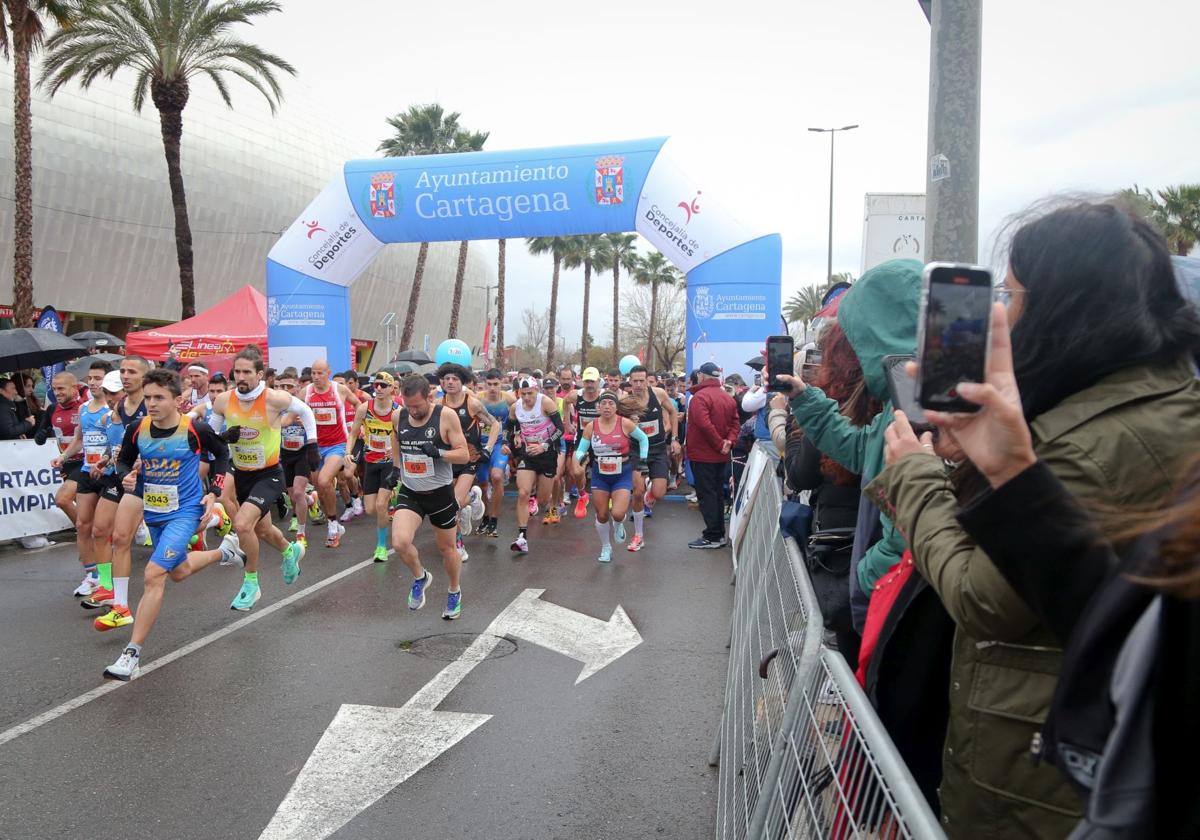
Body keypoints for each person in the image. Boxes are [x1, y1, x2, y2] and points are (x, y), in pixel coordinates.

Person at [858, 202, 1200, 837]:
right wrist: (997, 471)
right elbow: (1092, 592)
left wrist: (915, 474)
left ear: (1066, 309)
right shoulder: (1149, 397)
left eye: (1010, 295)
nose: (1000, 320)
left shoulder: (1090, 444)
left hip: (1036, 779)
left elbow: (983, 597)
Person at [102, 368, 239, 681]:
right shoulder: (138, 428)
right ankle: (225, 552)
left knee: (153, 574)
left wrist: (214, 492)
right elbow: (123, 459)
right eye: (148, 397)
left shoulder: (195, 428)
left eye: (159, 398)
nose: (151, 403)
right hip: (154, 512)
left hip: (185, 512)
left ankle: (131, 653)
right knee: (178, 572)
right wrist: (126, 474)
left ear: (178, 400)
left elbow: (220, 453)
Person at [209, 346, 316, 609]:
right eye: (237, 371)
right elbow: (209, 439)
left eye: (247, 372)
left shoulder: (273, 398)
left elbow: (306, 411)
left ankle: (251, 583)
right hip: (242, 472)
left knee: (244, 524)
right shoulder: (223, 400)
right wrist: (224, 438)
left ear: (259, 374)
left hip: (269, 474)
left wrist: (312, 444)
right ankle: (290, 552)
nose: (241, 377)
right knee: (263, 529)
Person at [390, 375, 470, 620]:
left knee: (447, 549)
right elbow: (396, 438)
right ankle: (420, 577)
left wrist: (439, 452)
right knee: (400, 542)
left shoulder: (445, 416)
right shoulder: (399, 416)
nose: (413, 411)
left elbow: (464, 455)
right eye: (408, 405)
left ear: (429, 397)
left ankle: (454, 590)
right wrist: (395, 469)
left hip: (439, 494)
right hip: (411, 491)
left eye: (418, 406)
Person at [84, 356, 153, 626]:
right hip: (125, 478)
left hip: (159, 477)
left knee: (178, 561)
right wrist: (108, 459)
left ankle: (217, 521)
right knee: (106, 532)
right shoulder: (121, 406)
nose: (125, 375)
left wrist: (147, 458)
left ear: (144, 377)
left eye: (131, 371)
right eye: (122, 371)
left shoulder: (152, 403)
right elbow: (122, 444)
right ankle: (116, 600)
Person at [54, 361, 114, 599]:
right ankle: (92, 576)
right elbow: (79, 440)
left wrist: (108, 462)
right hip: (88, 471)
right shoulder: (84, 409)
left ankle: (109, 579)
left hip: (109, 474)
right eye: (90, 378)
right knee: (83, 526)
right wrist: (63, 456)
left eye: (98, 378)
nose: (92, 382)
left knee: (104, 530)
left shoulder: (112, 411)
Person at [570, 392, 649, 562]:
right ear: (598, 407)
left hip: (622, 473)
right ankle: (606, 547)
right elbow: (582, 448)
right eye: (603, 403)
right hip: (600, 475)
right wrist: (578, 459)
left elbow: (643, 439)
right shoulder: (592, 426)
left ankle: (619, 524)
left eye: (610, 403)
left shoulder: (625, 423)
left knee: (618, 513)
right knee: (602, 515)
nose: (607, 406)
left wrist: (643, 460)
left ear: (616, 407)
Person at [437, 363, 497, 560]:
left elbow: (495, 424)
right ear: (442, 382)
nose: (451, 382)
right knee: (450, 502)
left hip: (470, 458)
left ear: (462, 382)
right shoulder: (438, 406)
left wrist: (488, 448)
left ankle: (458, 545)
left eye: (455, 379)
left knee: (453, 502)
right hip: (448, 458)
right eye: (447, 379)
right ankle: (472, 497)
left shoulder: (472, 403)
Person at [303, 359, 361, 546]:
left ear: (328, 372)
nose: (316, 377)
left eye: (320, 373)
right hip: (314, 446)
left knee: (324, 480)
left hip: (337, 444)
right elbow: (292, 412)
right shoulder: (306, 392)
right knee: (320, 486)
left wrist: (358, 427)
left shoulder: (339, 390)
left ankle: (332, 528)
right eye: (313, 373)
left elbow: (359, 404)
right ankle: (334, 522)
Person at [506, 376, 565, 553]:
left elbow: (560, 429)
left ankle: (549, 504)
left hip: (547, 453)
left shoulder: (546, 403)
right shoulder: (516, 407)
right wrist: (507, 441)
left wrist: (544, 446)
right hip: (528, 453)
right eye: (522, 394)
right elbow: (508, 427)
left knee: (543, 499)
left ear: (537, 391)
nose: (526, 398)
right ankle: (522, 537)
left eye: (529, 393)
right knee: (523, 492)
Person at [347, 371, 400, 562]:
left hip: (389, 463)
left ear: (392, 389)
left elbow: (406, 434)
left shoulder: (398, 410)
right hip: (370, 461)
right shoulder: (364, 408)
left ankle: (381, 546)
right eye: (375, 385)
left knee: (380, 505)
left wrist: (396, 451)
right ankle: (394, 494)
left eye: (382, 385)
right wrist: (348, 453)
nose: (378, 388)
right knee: (370, 509)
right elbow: (353, 433)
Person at [685, 362, 738, 549]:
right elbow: (735, 423)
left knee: (707, 495)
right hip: (720, 454)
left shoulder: (699, 397)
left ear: (701, 376)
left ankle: (714, 535)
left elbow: (704, 425)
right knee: (715, 494)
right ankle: (718, 534)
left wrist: (720, 443)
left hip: (703, 454)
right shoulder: (727, 397)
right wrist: (728, 442)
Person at [626, 365, 679, 551]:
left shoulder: (658, 394)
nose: (639, 384)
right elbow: (618, 424)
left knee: (659, 493)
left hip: (656, 450)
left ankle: (650, 495)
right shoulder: (626, 401)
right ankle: (638, 535)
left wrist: (674, 439)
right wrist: (629, 424)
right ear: (630, 381)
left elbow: (673, 413)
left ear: (648, 380)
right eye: (635, 381)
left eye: (643, 380)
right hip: (636, 450)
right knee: (637, 492)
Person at [273, 368, 318, 546]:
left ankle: (301, 534)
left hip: (303, 453)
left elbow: (317, 426)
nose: (284, 389)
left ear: (297, 387)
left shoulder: (302, 406)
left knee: (298, 493)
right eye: (280, 386)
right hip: (285, 454)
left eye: (288, 386)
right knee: (293, 496)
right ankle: (311, 499)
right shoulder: (275, 408)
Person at [478, 369, 515, 537]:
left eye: (496, 384)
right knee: (483, 484)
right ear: (485, 384)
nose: (492, 388)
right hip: (481, 445)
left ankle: (494, 518)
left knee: (497, 477)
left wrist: (515, 439)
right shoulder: (477, 399)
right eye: (489, 384)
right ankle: (485, 516)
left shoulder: (509, 400)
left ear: (502, 383)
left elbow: (518, 420)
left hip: (500, 444)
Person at [564, 367, 603, 518]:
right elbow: (566, 402)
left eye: (592, 381)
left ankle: (610, 497)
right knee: (576, 471)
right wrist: (567, 423)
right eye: (587, 381)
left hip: (601, 442)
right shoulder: (576, 396)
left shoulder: (605, 397)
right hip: (582, 441)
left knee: (606, 473)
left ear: (598, 382)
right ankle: (582, 494)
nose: (589, 385)